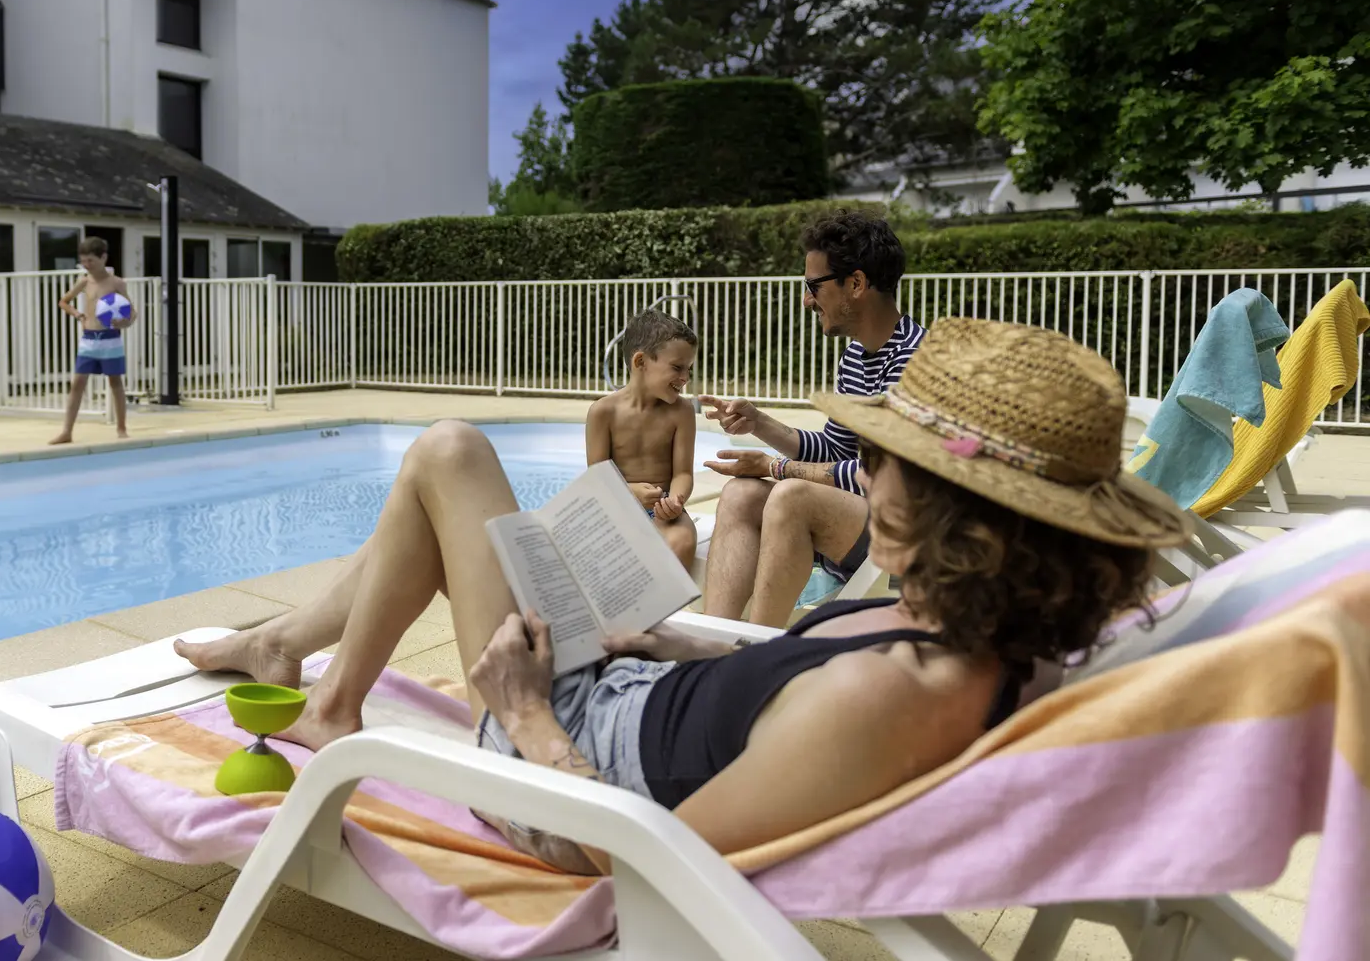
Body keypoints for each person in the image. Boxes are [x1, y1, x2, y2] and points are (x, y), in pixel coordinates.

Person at [174, 319, 1190, 873]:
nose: (867, 481)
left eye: (887, 463)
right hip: (621, 694)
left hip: (567, 769)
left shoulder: (899, 697)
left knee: (448, 457)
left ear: (961, 513)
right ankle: (295, 655)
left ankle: (325, 692)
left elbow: (644, 856)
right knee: (458, 501)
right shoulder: (962, 633)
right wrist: (675, 649)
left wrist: (525, 708)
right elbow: (792, 690)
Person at [696, 210, 926, 626]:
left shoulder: (916, 360)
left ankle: (754, 656)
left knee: (790, 495)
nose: (807, 300)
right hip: (856, 521)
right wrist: (760, 424)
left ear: (855, 284)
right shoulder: (857, 354)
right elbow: (837, 450)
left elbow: (886, 473)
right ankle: (716, 640)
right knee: (741, 494)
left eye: (813, 286)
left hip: (904, 534)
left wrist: (777, 468)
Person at [585, 308, 698, 565]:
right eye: (677, 368)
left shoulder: (681, 412)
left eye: (689, 369)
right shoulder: (604, 412)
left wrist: (675, 500)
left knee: (682, 540)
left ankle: (667, 605)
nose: (685, 378)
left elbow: (683, 473)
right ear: (641, 362)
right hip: (615, 506)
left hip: (663, 510)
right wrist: (630, 491)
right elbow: (597, 478)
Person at [51, 236, 137, 443]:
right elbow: (63, 302)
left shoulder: (116, 283)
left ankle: (121, 428)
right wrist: (78, 315)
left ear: (103, 258)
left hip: (110, 338)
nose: (87, 265)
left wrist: (125, 323)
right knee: (77, 384)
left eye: (91, 260)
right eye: (84, 261)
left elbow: (132, 312)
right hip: (89, 338)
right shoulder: (83, 281)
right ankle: (67, 432)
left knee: (115, 382)